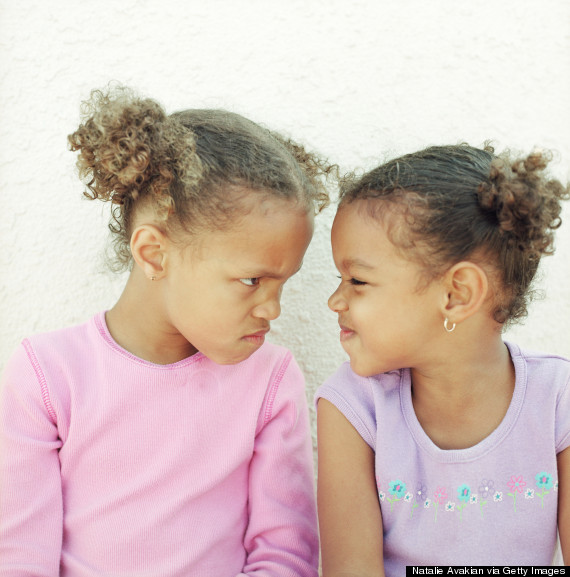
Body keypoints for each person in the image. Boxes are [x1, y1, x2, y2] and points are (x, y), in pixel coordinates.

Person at [0, 85, 333, 576]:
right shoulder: (47, 376)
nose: (272, 309)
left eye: (283, 283)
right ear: (155, 253)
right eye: (251, 280)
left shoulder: (269, 380)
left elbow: (285, 554)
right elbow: (22, 558)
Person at [315, 144, 570, 574]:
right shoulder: (353, 406)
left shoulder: (557, 398)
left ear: (457, 295)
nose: (334, 300)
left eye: (357, 280)